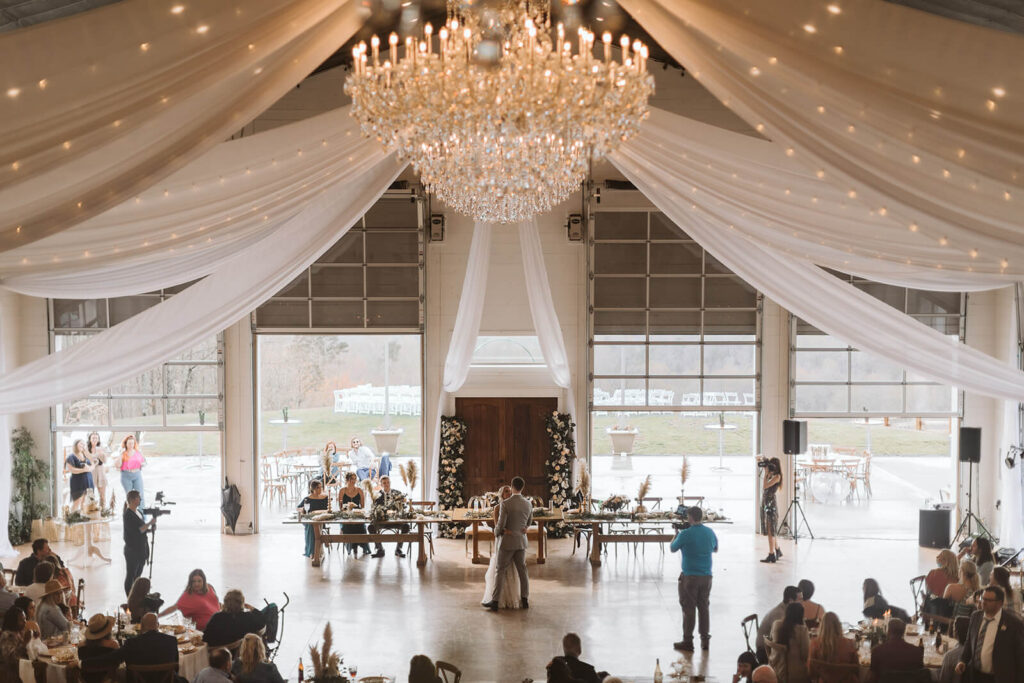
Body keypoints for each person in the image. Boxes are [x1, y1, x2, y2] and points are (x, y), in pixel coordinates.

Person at [670, 506, 718, 652]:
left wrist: (676, 535)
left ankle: (688, 641)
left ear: (690, 517)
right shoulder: (710, 532)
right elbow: (715, 549)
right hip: (707, 577)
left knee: (689, 609)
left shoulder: (685, 534)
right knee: (704, 608)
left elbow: (673, 548)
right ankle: (705, 641)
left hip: (690, 577)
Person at [483, 476, 532, 613]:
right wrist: (524, 528)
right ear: (522, 487)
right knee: (523, 571)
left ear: (512, 486)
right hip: (521, 541)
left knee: (500, 570)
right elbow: (529, 521)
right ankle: (525, 599)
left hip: (508, 542)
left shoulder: (506, 504)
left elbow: (500, 524)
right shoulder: (528, 503)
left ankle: (495, 601)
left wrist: (497, 532)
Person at [955, 585, 1024, 682]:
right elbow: (969, 642)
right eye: (983, 598)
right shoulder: (975, 617)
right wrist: (962, 661)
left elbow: (1020, 658)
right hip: (975, 675)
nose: (983, 602)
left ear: (999, 603)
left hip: (999, 678)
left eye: (988, 600)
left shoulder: (1013, 624)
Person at [482, 485, 521, 609]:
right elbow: (497, 527)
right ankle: (497, 598)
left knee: (512, 566)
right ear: (501, 495)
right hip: (501, 539)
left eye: (510, 491)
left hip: (513, 539)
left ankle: (513, 596)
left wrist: (513, 530)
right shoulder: (497, 508)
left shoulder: (515, 507)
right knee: (499, 567)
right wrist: (504, 531)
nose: (508, 494)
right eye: (506, 492)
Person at [807, 611, 858, 683]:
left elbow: (811, 672)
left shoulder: (815, 644)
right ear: (838, 625)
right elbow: (856, 669)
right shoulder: (849, 643)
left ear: (822, 626)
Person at [123, 489, 156, 596]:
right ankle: (129, 595)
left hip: (141, 548)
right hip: (132, 550)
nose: (140, 499)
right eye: (138, 498)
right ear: (133, 500)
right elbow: (140, 530)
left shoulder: (139, 512)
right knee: (131, 574)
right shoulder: (128, 515)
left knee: (138, 575)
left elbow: (142, 530)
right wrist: (151, 522)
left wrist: (150, 530)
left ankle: (136, 595)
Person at [768, 602, 809, 683]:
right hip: (797, 676)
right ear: (801, 615)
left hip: (776, 671)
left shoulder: (776, 624)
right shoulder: (802, 630)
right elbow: (805, 655)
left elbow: (771, 639)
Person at [757, 586, 802, 660]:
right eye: (800, 600)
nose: (802, 602)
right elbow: (781, 640)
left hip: (772, 646)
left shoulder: (785, 610)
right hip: (765, 652)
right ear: (790, 601)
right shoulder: (779, 615)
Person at [369, 475, 408, 558]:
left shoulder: (397, 493)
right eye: (384, 483)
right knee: (371, 527)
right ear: (381, 484)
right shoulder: (377, 495)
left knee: (406, 526)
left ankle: (398, 549)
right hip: (382, 522)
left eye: (388, 482)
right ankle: (380, 549)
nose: (387, 484)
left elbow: (403, 506)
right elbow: (374, 508)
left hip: (395, 521)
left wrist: (402, 503)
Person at [77, 614, 120, 683]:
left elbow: (84, 664)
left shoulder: (81, 646)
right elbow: (117, 665)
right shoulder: (113, 645)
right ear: (107, 631)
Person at [338, 472, 372, 557]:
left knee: (360, 526)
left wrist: (356, 509)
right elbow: (341, 507)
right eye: (351, 479)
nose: (353, 481)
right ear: (347, 480)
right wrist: (346, 508)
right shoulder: (342, 491)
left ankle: (359, 545)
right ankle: (352, 546)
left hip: (357, 515)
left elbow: (362, 506)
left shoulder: (359, 490)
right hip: (346, 516)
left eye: (354, 479)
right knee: (348, 526)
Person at [759, 457, 782, 563]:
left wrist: (766, 474)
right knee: (771, 530)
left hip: (771, 505)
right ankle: (777, 550)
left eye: (772, 465)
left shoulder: (777, 476)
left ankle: (771, 554)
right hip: (766, 503)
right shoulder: (772, 474)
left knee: (770, 531)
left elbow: (765, 486)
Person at [297, 480, 329, 558]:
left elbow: (328, 509)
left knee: (315, 525)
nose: (320, 489)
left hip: (321, 519)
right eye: (318, 488)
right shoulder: (307, 498)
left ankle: (317, 551)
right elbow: (298, 508)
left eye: (321, 487)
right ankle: (312, 552)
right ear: (313, 489)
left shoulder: (325, 497)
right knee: (311, 527)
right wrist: (302, 510)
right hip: (309, 519)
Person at [116, 434, 146, 507]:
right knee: (130, 496)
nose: (131, 445)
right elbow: (118, 465)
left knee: (140, 495)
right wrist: (120, 454)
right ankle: (131, 515)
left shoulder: (138, 452)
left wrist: (142, 464)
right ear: (126, 444)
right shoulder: (123, 453)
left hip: (137, 474)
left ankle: (142, 516)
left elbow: (144, 462)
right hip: (126, 475)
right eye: (129, 443)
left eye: (132, 443)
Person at [66, 439, 95, 512]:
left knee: (86, 503)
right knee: (77, 502)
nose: (83, 445)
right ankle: (72, 520)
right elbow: (71, 470)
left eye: (84, 444)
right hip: (77, 482)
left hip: (88, 480)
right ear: (76, 445)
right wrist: (84, 470)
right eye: (81, 444)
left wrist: (89, 468)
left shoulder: (86, 455)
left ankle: (83, 520)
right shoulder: (71, 456)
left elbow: (93, 464)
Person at [937, 616, 970, 683]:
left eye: (954, 627)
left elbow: (943, 680)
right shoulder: (975, 652)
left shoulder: (949, 656)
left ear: (956, 632)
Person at [0, 608, 29, 683]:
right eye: (21, 620)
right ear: (13, 621)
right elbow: (11, 659)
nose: (25, 622)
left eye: (25, 618)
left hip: (23, 667)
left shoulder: (19, 632)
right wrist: (25, 642)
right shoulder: (7, 635)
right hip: (12, 673)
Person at [86, 432, 110, 509]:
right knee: (90, 495)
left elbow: (105, 461)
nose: (95, 439)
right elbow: (86, 460)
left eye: (96, 438)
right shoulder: (86, 449)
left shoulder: (101, 448)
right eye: (93, 438)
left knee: (102, 495)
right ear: (90, 439)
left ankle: (102, 512)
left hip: (100, 471)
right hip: (90, 472)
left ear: (98, 439)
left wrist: (102, 453)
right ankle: (91, 512)